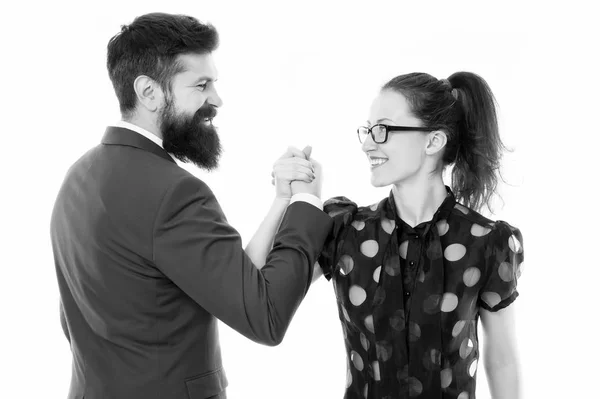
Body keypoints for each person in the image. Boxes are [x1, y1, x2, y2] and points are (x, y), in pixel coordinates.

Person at [50, 13, 332, 399]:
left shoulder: (78, 176)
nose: (217, 99)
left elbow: (231, 285)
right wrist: (307, 202)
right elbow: (264, 316)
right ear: (149, 92)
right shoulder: (174, 192)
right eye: (201, 85)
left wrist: (282, 202)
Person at [272, 72, 524, 398]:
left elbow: (502, 360)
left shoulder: (487, 242)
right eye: (367, 130)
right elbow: (266, 291)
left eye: (383, 130)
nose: (366, 144)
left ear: (433, 141)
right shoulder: (344, 229)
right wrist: (288, 200)